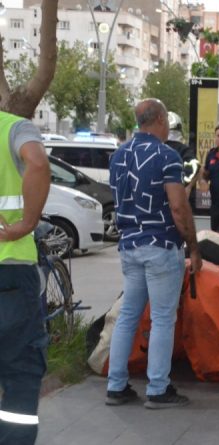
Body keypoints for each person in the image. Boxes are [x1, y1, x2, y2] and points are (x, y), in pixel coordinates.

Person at [106, 99, 202, 409]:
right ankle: (158, 389)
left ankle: (116, 386)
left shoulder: (118, 155)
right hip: (160, 246)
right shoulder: (167, 156)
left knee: (128, 316)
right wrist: (193, 246)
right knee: (163, 318)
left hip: (129, 246)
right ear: (160, 119)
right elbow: (177, 206)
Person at [0, 111, 50, 445]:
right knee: (19, 373)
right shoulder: (12, 127)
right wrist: (27, 222)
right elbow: (38, 162)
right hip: (10, 269)